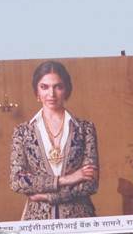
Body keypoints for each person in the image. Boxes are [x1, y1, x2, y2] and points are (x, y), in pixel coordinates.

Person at [9, 60, 99, 220]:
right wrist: (65, 179)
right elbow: (17, 181)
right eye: (44, 87)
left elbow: (90, 183)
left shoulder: (85, 129)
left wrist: (49, 197)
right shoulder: (22, 132)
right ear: (37, 91)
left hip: (79, 219)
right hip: (36, 220)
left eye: (58, 86)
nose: (51, 94)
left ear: (66, 90)